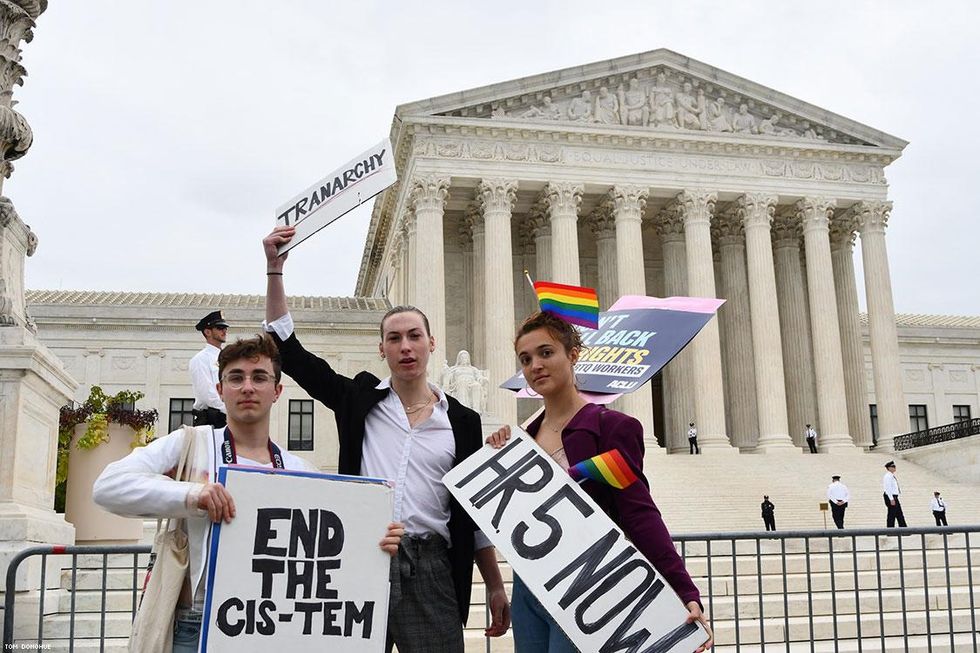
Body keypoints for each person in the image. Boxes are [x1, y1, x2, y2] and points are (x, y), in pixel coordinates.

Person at [262, 226, 509, 653]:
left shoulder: (463, 422)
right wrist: (274, 271)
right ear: (382, 349)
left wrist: (494, 584)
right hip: (361, 558)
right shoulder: (358, 401)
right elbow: (290, 351)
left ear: (431, 343)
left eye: (414, 336)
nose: (405, 346)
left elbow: (472, 511)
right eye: (394, 338)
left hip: (432, 569)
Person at [93, 335, 406, 652]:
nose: (247, 387)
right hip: (198, 625)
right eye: (236, 378)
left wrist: (376, 541)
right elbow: (108, 486)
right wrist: (192, 496)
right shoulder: (192, 444)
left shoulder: (301, 471)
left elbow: (333, 552)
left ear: (277, 391)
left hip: (277, 628)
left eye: (259, 378)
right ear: (220, 390)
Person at [487, 311, 711, 653]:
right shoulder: (522, 441)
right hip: (529, 592)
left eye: (546, 352)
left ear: (573, 354)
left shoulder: (612, 429)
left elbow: (639, 514)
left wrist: (683, 590)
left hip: (587, 589)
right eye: (526, 359)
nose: (536, 366)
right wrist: (496, 456)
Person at [189, 310, 229, 428]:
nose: (224, 331)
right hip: (212, 420)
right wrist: (230, 411)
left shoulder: (227, 357)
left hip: (228, 418)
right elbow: (207, 394)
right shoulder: (200, 359)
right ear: (207, 332)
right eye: (220, 328)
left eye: (225, 328)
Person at [882, 460, 907, 528]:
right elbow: (888, 488)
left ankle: (904, 529)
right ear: (889, 468)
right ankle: (890, 530)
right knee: (892, 514)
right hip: (890, 497)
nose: (894, 468)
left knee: (899, 514)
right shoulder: (888, 476)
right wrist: (891, 499)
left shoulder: (891, 476)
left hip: (894, 497)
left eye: (894, 466)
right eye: (893, 466)